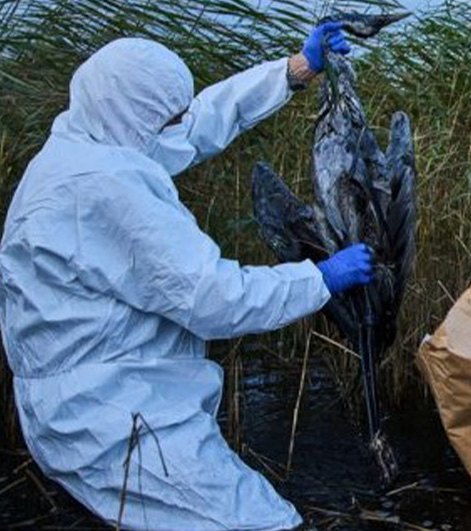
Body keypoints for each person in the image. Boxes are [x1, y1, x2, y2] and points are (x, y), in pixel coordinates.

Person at [0, 26, 374, 531]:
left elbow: (196, 125)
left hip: (104, 397)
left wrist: (293, 72)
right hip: (111, 418)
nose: (178, 124)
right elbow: (214, 299)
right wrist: (321, 279)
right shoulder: (103, 188)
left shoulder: (87, 141)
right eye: (166, 116)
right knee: (261, 523)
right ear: (134, 113)